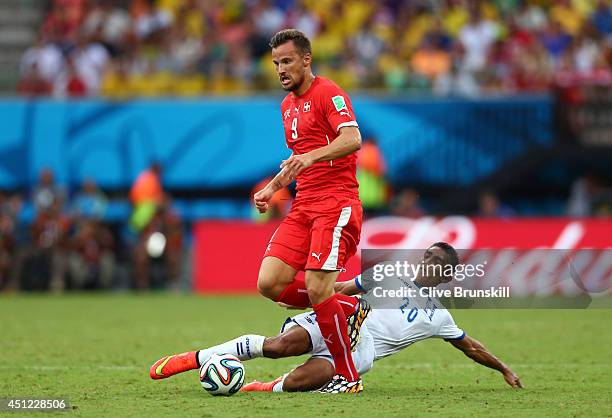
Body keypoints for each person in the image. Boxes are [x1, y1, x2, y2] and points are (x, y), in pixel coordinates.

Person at [149, 243, 523, 392]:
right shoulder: (389, 274)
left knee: (298, 384)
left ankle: (252, 387)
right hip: (341, 321)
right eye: (428, 255)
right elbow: (341, 289)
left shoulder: (440, 316)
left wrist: (504, 367)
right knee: (280, 347)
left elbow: (469, 346)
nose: (429, 262)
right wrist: (303, 299)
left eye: (438, 262)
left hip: (364, 351)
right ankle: (195, 358)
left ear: (446, 274)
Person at [252, 29, 367, 393]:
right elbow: (295, 161)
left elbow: (352, 138)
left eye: (287, 61)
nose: (281, 70)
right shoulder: (287, 107)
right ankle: (344, 306)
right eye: (276, 64)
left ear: (306, 59)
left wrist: (312, 156)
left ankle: (347, 377)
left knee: (318, 289)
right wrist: (271, 189)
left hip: (336, 203)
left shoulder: (328, 93)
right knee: (269, 283)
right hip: (303, 205)